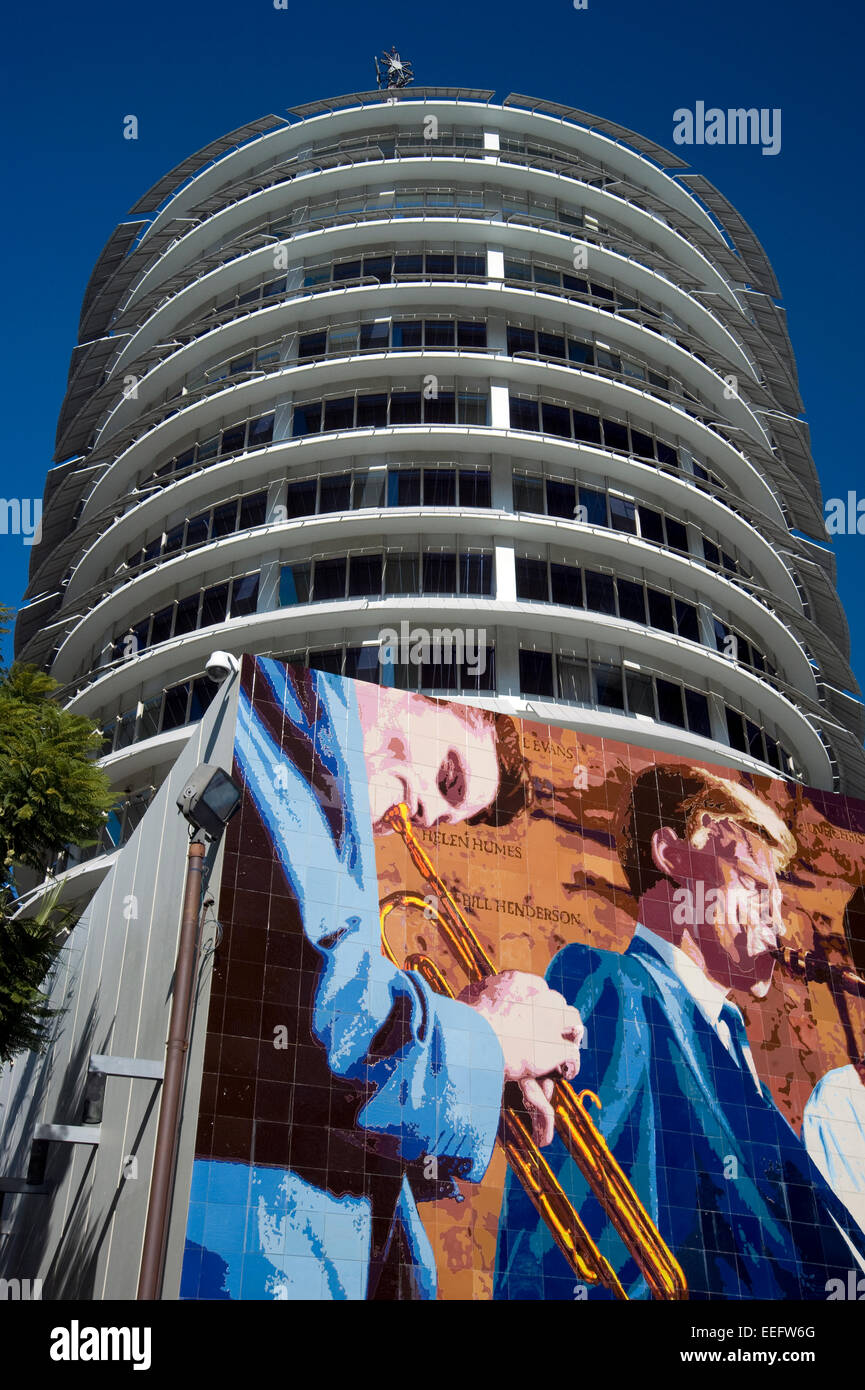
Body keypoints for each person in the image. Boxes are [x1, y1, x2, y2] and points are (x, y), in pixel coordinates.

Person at [181, 656, 582, 1300]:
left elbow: (310, 1091)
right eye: (447, 775)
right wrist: (481, 1042)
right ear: (420, 694)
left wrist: (474, 1079)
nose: (421, 810)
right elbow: (333, 1018)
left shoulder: (326, 800)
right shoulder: (276, 729)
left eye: (439, 820)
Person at [494, 763, 865, 1300]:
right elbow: (568, 1240)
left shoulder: (727, 1039)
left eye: (779, 901)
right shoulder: (614, 985)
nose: (778, 924)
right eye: (755, 885)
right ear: (671, 856)